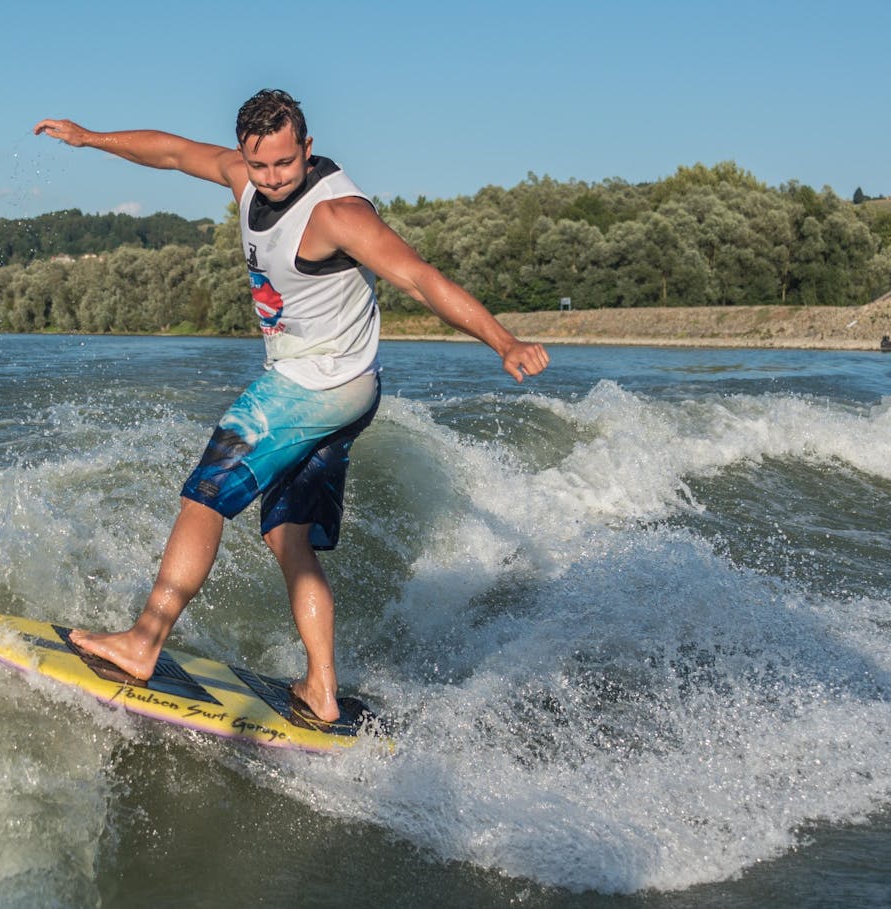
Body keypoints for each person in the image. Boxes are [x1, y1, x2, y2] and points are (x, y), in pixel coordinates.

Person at [33, 89, 549, 723]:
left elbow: (421, 278)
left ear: (308, 148)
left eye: (286, 163)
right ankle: (321, 689)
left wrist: (504, 341)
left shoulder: (338, 215)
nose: (274, 179)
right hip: (352, 390)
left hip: (312, 387)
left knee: (205, 494)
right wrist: (91, 138)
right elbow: (170, 152)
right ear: (246, 155)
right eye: (260, 166)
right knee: (287, 534)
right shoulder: (245, 179)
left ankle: (143, 641)